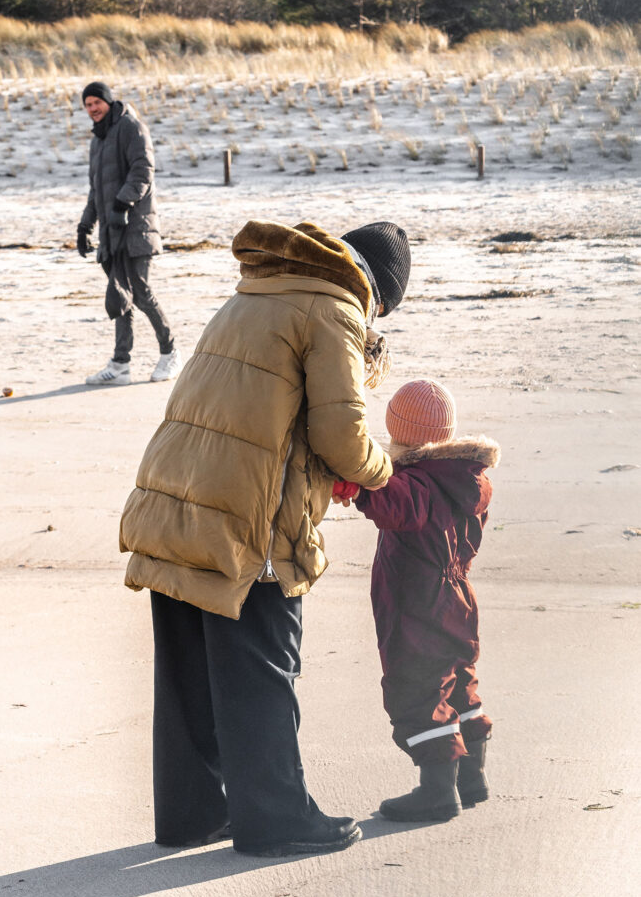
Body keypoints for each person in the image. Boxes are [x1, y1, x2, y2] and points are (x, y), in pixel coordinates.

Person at [119, 218, 411, 856]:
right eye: (383, 306)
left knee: (188, 669)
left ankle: (191, 814)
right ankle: (276, 821)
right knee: (262, 667)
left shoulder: (256, 290)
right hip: (250, 522)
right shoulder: (334, 309)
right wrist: (384, 470)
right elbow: (342, 437)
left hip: (177, 497)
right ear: (374, 288)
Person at [338, 378, 499, 822]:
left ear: (399, 432)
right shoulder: (468, 477)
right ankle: (471, 778)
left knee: (418, 685)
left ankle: (437, 790)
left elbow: (393, 504)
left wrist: (359, 480)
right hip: (459, 594)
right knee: (458, 678)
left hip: (416, 599)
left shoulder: (418, 483)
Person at [76, 81, 182, 386]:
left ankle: (170, 351)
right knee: (119, 294)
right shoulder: (98, 140)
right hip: (111, 230)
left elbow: (143, 171)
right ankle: (120, 364)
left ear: (109, 102)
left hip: (136, 226)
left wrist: (123, 203)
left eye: (96, 102)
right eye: (87, 104)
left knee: (138, 289)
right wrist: (85, 226)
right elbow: (95, 190)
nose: (92, 109)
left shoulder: (131, 127)